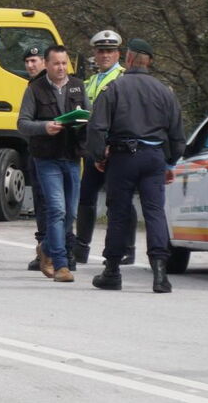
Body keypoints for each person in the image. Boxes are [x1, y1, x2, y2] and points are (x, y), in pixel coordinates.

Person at [87, 39, 185, 293]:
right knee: (154, 212)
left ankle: (112, 271)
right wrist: (170, 162)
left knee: (119, 212)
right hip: (154, 158)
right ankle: (160, 274)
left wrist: (99, 155)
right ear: (149, 61)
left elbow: (97, 127)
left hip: (123, 158)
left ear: (128, 59)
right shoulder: (165, 92)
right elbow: (177, 134)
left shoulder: (114, 88)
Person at [18, 45, 88, 283]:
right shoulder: (35, 89)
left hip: (72, 156)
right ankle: (61, 265)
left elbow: (89, 116)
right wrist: (44, 127)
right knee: (57, 210)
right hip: (46, 158)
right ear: (46, 64)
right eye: (56, 63)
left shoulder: (78, 86)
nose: (61, 68)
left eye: (64, 63)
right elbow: (22, 123)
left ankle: (46, 248)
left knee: (70, 213)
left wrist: (83, 124)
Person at [74, 30, 138, 264]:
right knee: (86, 198)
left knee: (119, 199)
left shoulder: (123, 78)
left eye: (110, 51)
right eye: (101, 51)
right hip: (93, 148)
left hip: (115, 149)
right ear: (94, 53)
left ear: (118, 54)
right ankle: (81, 248)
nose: (105, 55)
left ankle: (127, 248)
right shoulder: (90, 81)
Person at [20, 46, 49, 271]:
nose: (30, 65)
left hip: (49, 152)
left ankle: (50, 251)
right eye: (27, 61)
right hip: (37, 149)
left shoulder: (45, 86)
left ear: (44, 62)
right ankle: (44, 249)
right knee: (42, 202)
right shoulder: (33, 85)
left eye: (34, 61)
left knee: (49, 203)